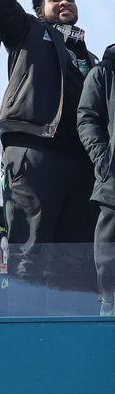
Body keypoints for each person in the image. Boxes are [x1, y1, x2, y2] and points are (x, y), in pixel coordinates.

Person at [0, 0, 99, 281]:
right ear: (40, 10)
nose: (64, 2)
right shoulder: (30, 33)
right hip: (35, 152)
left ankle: (74, 332)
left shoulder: (92, 58)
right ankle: (26, 332)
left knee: (78, 258)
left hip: (83, 162)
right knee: (30, 252)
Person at [79, 42, 115, 313]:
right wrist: (105, 162)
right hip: (113, 188)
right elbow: (87, 118)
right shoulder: (104, 71)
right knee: (109, 269)